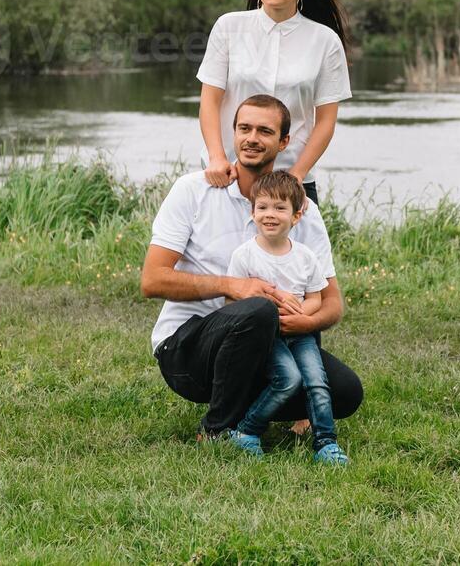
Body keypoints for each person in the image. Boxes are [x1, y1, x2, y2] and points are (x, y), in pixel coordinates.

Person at [141, 93, 362, 444]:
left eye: (264, 131)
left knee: (346, 392)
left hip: (272, 344)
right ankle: (216, 429)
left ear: (284, 141)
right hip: (188, 350)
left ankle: (261, 412)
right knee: (257, 308)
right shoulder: (192, 191)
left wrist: (305, 321)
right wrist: (233, 286)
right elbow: (152, 280)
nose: (252, 138)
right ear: (233, 133)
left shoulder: (302, 209)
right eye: (244, 128)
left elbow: (332, 303)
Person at [197, 0, 351, 208]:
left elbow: (326, 121)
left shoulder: (325, 41)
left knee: (297, 252)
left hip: (291, 180)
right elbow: (210, 100)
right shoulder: (228, 28)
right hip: (229, 176)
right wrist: (216, 157)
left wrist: (297, 175)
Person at [224, 171, 349, 464]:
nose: (270, 214)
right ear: (252, 212)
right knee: (288, 379)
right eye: (263, 207)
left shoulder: (305, 257)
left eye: (280, 208)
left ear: (296, 216)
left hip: (301, 333)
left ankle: (326, 443)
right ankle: (248, 431)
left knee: (317, 380)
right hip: (268, 337)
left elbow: (316, 297)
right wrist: (271, 315)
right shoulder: (244, 256)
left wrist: (300, 315)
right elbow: (232, 300)